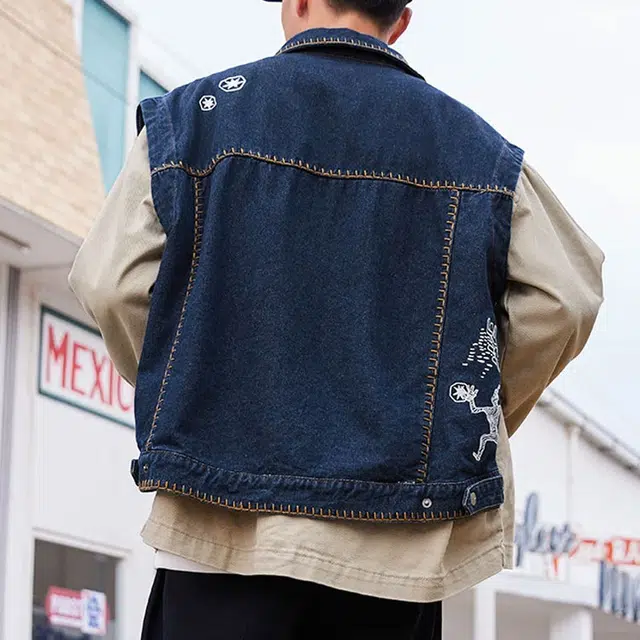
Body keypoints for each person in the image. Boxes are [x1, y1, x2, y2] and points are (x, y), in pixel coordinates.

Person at [69, 0, 605, 638]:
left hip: (221, 532)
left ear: (296, 2)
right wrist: (453, 414)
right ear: (400, 21)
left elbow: (108, 283)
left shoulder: (194, 120)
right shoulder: (477, 150)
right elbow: (566, 297)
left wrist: (199, 390)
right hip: (395, 547)